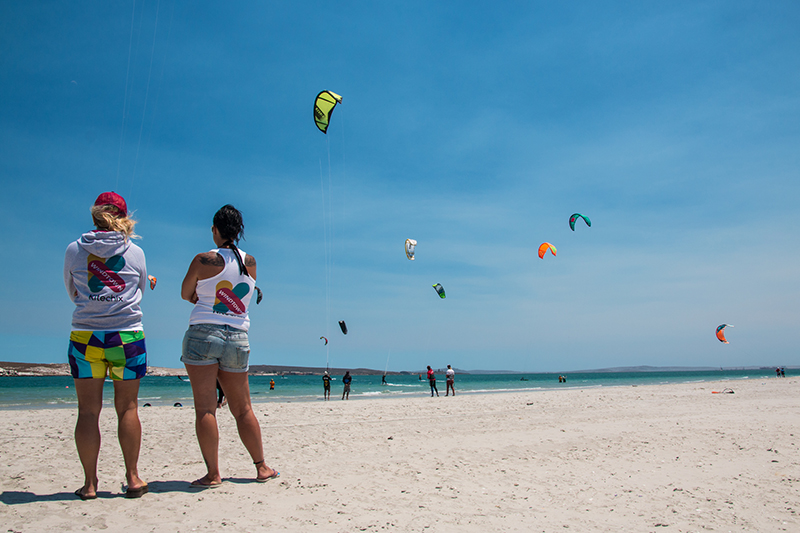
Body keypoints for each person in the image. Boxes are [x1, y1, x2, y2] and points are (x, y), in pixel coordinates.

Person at [180, 205, 278, 487]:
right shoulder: (252, 262)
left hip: (203, 334)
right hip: (237, 337)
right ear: (239, 231)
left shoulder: (204, 259)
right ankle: (261, 467)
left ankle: (213, 474)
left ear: (215, 230)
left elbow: (186, 293)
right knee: (243, 408)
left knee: (206, 409)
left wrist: (204, 298)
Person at [65, 192, 149, 500]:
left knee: (87, 411)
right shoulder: (135, 252)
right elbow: (139, 290)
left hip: (86, 337)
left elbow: (72, 291)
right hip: (126, 337)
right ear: (124, 218)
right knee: (127, 407)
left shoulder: (74, 249)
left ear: (95, 216)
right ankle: (133, 477)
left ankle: (89, 484)